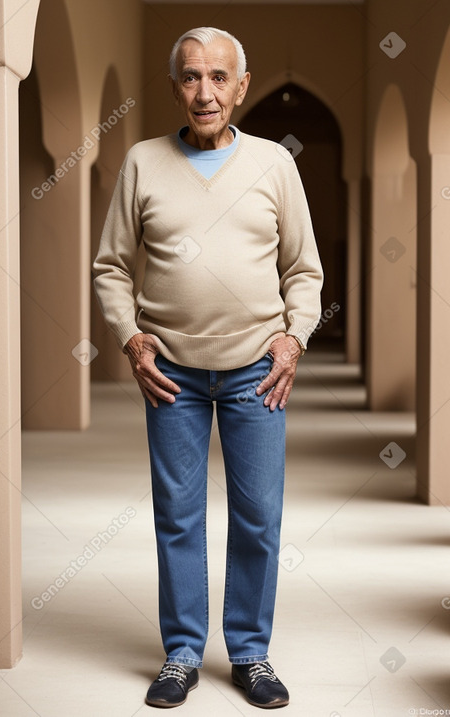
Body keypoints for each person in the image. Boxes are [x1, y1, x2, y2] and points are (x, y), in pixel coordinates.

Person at [92, 26, 323, 709]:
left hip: (258, 368)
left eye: (219, 77)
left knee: (258, 513)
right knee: (178, 514)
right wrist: (131, 338)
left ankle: (250, 650)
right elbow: (110, 266)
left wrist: (293, 338)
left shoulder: (275, 165)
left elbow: (303, 269)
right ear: (175, 87)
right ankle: (182, 652)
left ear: (241, 87)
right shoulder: (141, 162)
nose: (205, 91)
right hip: (172, 373)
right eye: (191, 77)